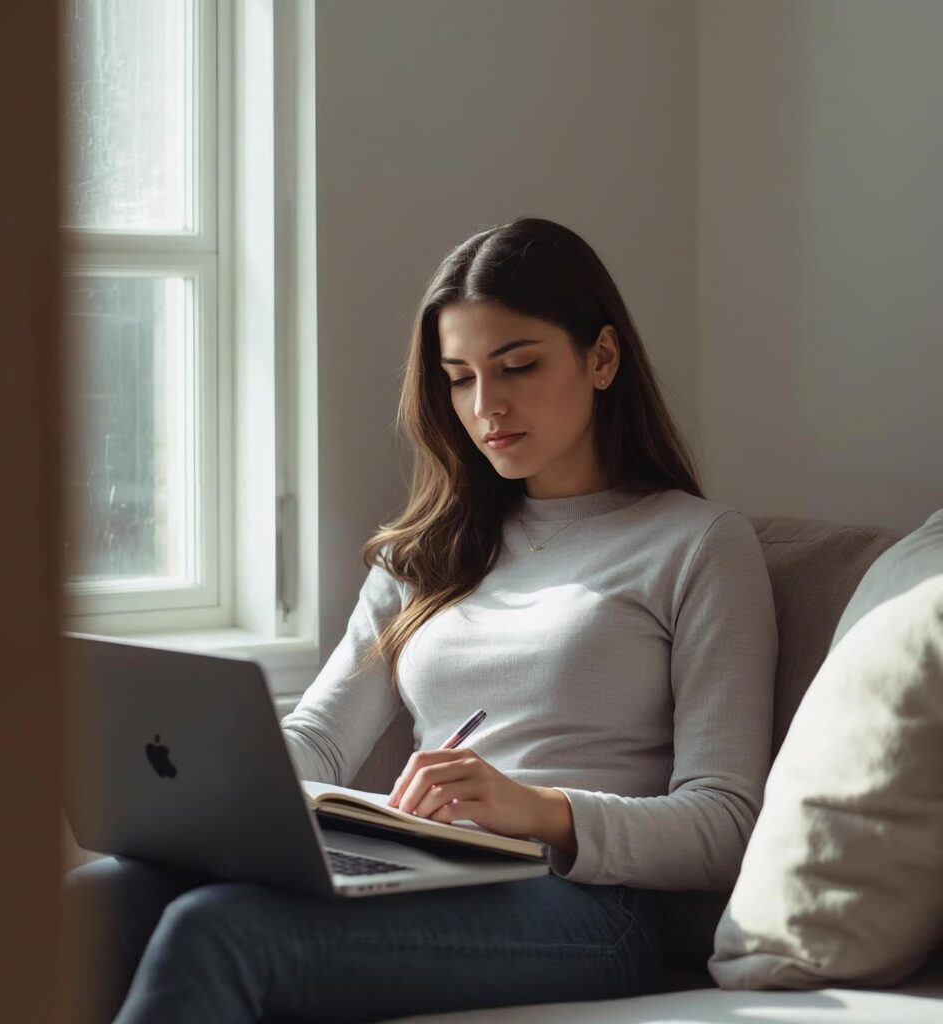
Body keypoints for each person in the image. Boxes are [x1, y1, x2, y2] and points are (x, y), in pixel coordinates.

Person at [64, 216, 779, 1023]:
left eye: (517, 367)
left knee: (224, 931)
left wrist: (536, 808)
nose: (487, 407)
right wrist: (214, 786)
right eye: (460, 377)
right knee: (93, 903)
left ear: (602, 358)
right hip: (431, 871)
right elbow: (321, 742)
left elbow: (725, 824)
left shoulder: (698, 544)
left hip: (593, 910)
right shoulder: (425, 554)